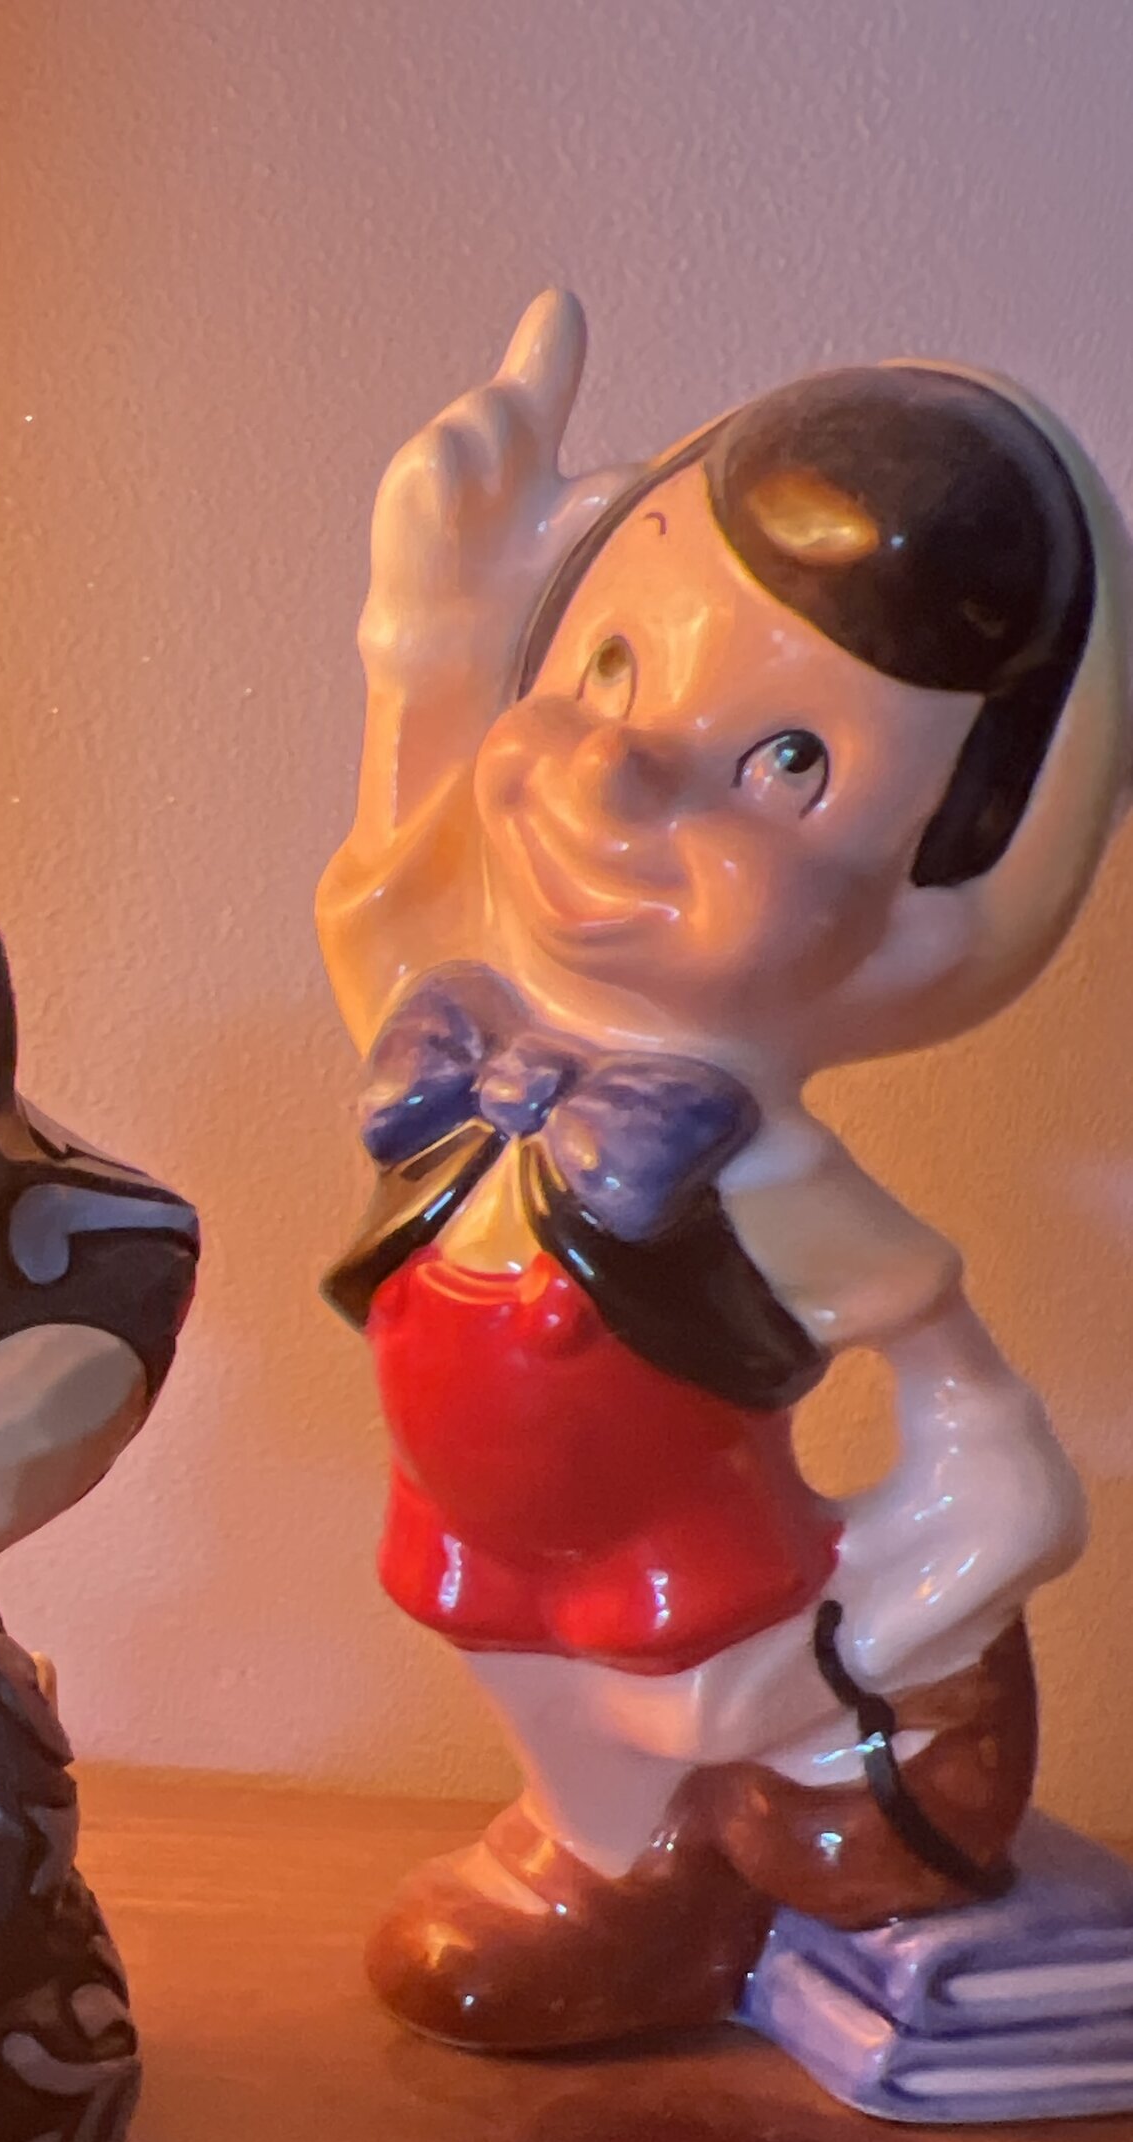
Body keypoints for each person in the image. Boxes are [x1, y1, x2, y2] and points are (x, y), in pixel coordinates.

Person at [316, 291, 1129, 2052]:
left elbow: (1000, 1462)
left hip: (692, 1595)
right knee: (534, 1677)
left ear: (936, 912)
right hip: (484, 1548)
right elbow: (392, 889)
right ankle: (593, 1848)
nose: (612, 768)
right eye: (607, 670)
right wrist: (429, 641)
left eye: (786, 765)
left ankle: (646, 1885)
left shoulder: (763, 1175)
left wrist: (862, 1637)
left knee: (639, 1699)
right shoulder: (457, 1031)